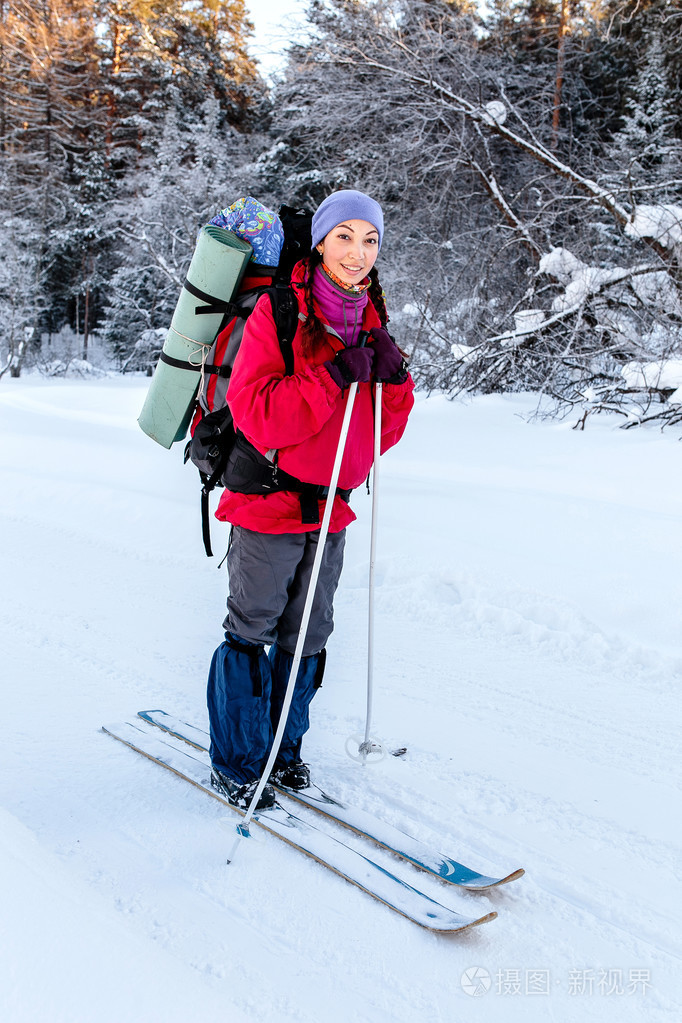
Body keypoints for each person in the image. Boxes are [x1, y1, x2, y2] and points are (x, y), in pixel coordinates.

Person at [206, 189, 415, 810]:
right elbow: (260, 414)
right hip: (269, 502)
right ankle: (241, 762)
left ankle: (283, 749)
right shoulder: (279, 312)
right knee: (252, 627)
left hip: (333, 506)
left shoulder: (369, 315)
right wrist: (333, 376)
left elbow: (382, 430)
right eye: (345, 236)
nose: (358, 252)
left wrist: (394, 381)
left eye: (370, 239)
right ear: (321, 241)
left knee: (309, 632)